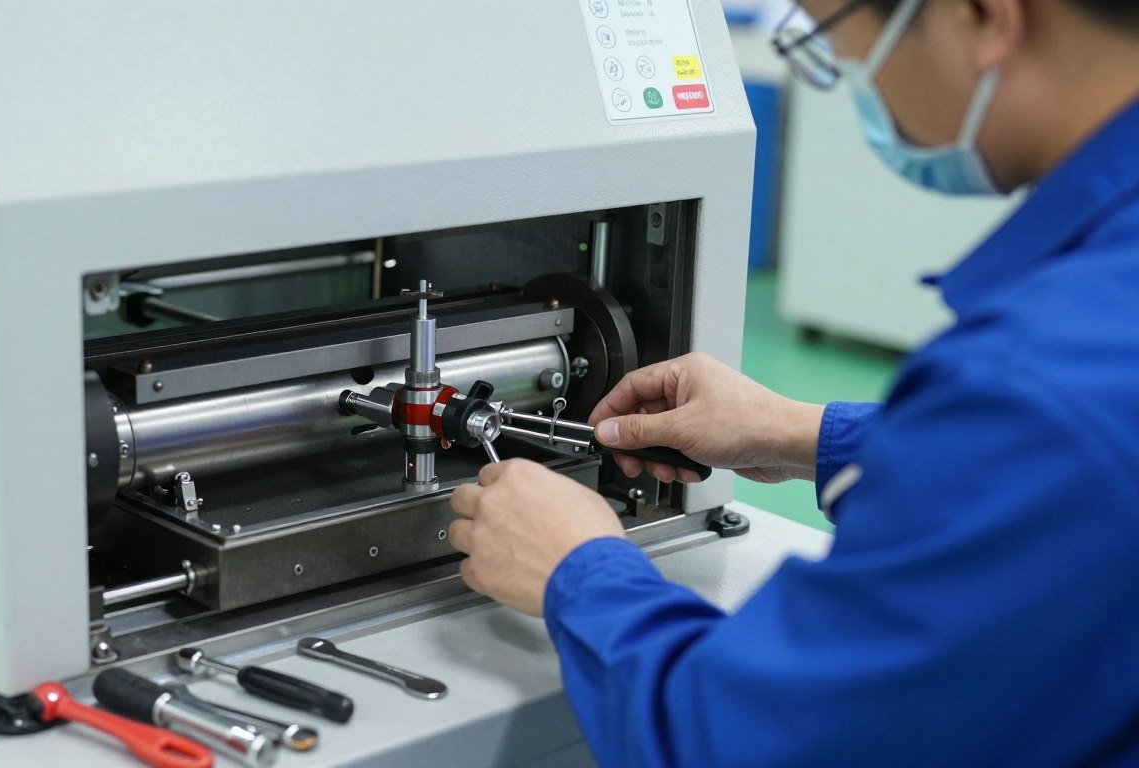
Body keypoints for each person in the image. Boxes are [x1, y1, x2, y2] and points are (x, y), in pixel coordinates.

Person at [447, 0, 1139, 764]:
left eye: (836, 46)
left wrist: (576, 570)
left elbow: (755, 743)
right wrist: (806, 435)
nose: (854, 85)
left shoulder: (1040, 382)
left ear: (982, 18)